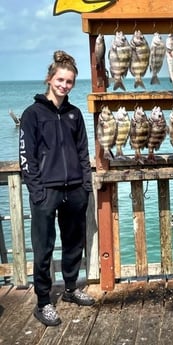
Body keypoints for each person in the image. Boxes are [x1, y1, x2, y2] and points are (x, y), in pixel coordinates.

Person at [19, 50, 95, 327]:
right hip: (46, 192)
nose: (64, 85)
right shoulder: (33, 114)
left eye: (70, 81)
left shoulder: (75, 114)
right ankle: (43, 301)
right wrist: (37, 192)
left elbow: (83, 152)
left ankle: (72, 288)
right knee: (44, 248)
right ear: (50, 79)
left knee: (74, 243)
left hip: (74, 189)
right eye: (60, 80)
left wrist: (85, 186)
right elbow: (26, 157)